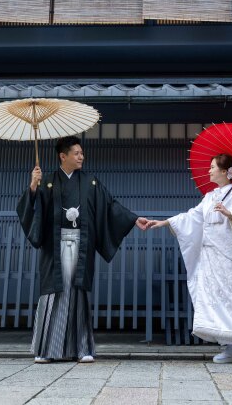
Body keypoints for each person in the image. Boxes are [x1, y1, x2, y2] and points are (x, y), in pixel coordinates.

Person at [17, 136, 150, 363]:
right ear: (63, 156)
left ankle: (82, 349)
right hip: (54, 246)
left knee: (78, 293)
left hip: (81, 245)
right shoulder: (47, 181)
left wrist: (133, 218)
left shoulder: (91, 183)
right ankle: (47, 350)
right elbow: (30, 211)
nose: (81, 157)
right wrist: (33, 186)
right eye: (76, 153)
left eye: (81, 153)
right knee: (54, 292)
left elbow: (110, 205)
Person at [147, 154, 232, 364]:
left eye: (213, 167)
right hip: (212, 258)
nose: (209, 171)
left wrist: (231, 213)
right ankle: (230, 346)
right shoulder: (210, 196)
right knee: (218, 302)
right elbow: (193, 217)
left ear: (225, 172)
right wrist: (163, 222)